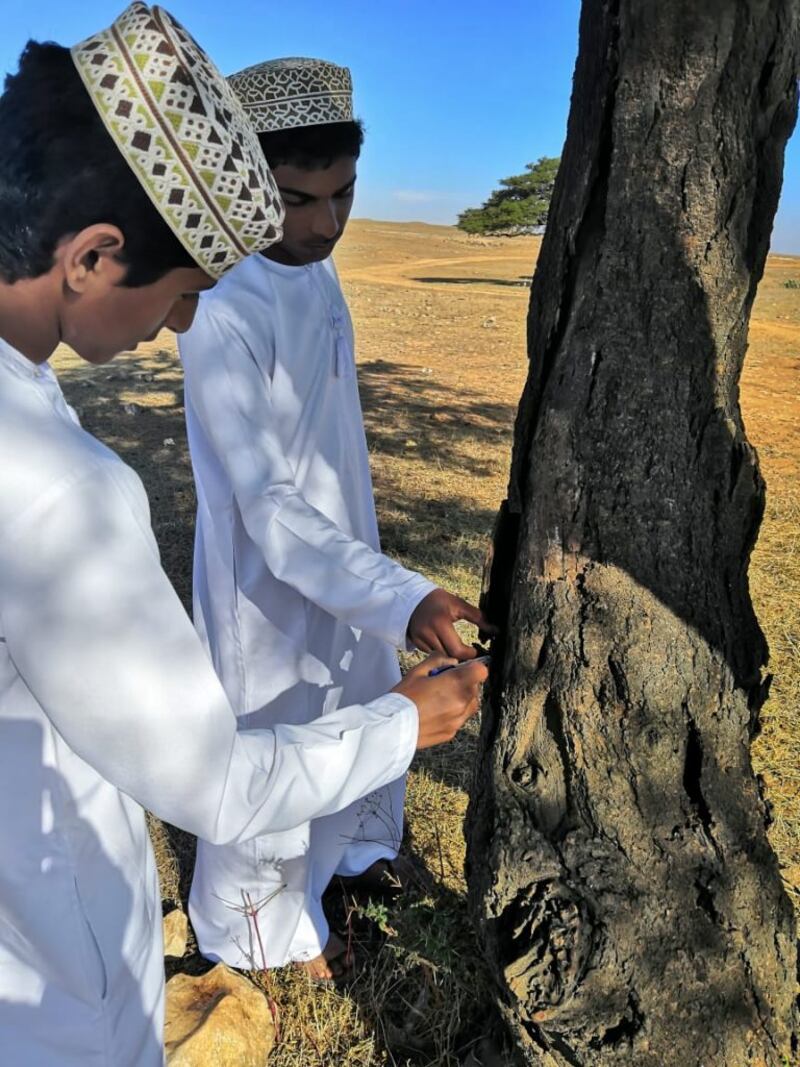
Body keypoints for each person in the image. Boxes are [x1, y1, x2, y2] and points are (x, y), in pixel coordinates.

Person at [0, 8, 487, 1065]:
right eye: (180, 291)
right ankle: (257, 927)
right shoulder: (52, 485)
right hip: (39, 978)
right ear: (93, 255)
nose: (179, 325)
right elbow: (213, 777)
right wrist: (406, 719)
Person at [179, 56, 493, 981]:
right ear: (247, 181)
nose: (325, 224)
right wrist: (399, 596)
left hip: (348, 550)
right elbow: (268, 506)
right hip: (263, 578)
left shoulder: (314, 272)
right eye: (297, 198)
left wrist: (386, 589)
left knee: (357, 697)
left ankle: (353, 864)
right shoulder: (221, 306)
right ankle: (262, 934)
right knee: (275, 729)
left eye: (343, 194)